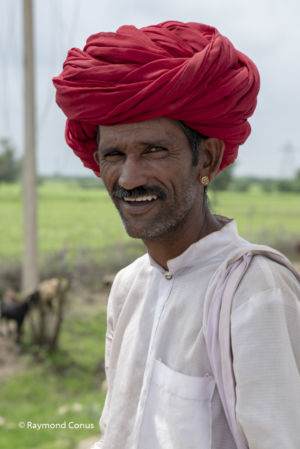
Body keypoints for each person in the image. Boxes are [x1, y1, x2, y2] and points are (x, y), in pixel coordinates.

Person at [53, 21, 300, 449]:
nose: (128, 178)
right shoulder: (129, 286)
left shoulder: (254, 291)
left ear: (206, 157)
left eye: (154, 150)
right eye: (113, 154)